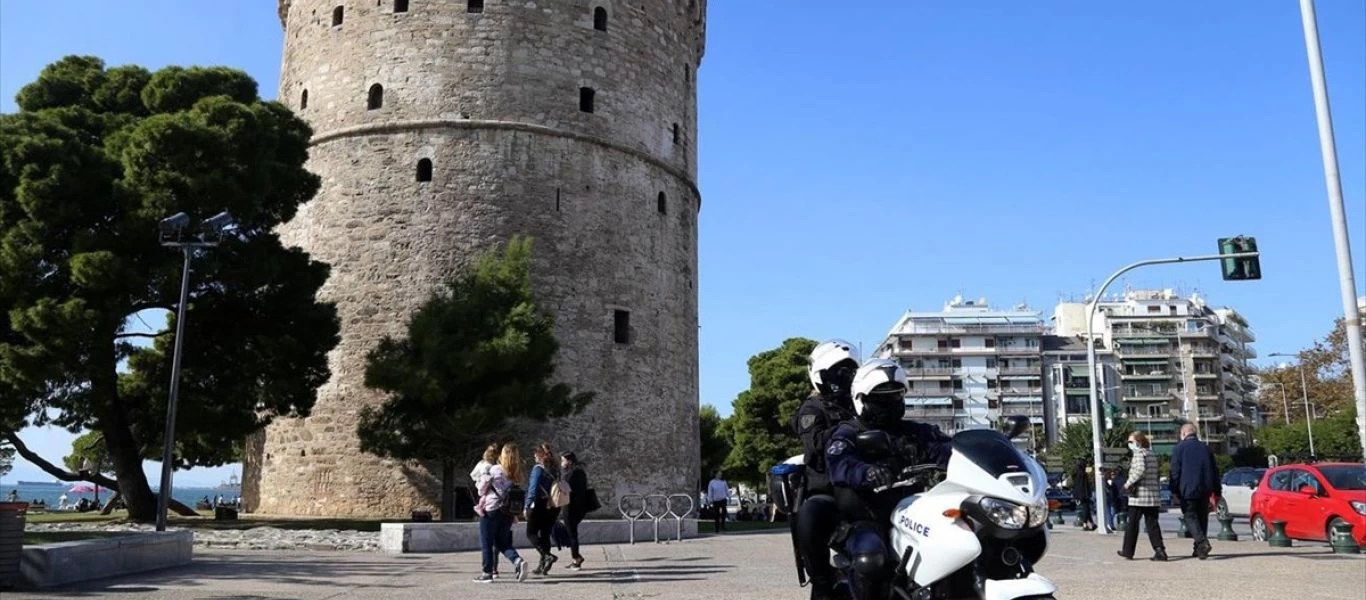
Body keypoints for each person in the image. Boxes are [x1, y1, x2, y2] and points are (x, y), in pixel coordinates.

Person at [826, 358, 953, 600]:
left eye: (896, 396)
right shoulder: (848, 434)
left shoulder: (916, 432)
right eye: (881, 398)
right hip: (867, 518)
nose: (890, 403)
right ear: (861, 399)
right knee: (870, 557)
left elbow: (948, 450)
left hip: (918, 516)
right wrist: (866, 472)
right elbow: (840, 464)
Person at [789, 338, 860, 600]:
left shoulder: (860, 402)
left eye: (849, 370)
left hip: (866, 484)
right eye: (838, 371)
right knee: (810, 516)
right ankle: (820, 581)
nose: (845, 377)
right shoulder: (813, 408)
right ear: (821, 375)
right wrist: (851, 429)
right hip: (828, 487)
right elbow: (815, 443)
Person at [474, 443, 528, 583]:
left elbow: (481, 490)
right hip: (508, 511)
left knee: (487, 542)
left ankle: (487, 573)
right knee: (502, 543)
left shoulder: (495, 470)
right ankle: (517, 560)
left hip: (491, 509)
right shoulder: (517, 473)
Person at [1170, 423, 1220, 559]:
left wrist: (1174, 491)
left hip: (1187, 489)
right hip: (1205, 489)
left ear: (1184, 434)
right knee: (1202, 517)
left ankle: (1202, 543)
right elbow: (1215, 471)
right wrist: (1217, 491)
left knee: (1190, 516)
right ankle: (1199, 549)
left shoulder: (1179, 449)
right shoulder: (1206, 448)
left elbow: (1175, 472)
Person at [1116, 432, 1167, 561]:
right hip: (1152, 496)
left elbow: (1139, 470)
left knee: (1132, 524)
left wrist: (1128, 484)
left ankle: (1128, 551)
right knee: (1152, 524)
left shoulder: (1138, 454)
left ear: (1138, 442)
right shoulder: (1151, 454)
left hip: (1139, 496)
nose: (1129, 445)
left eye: (1131, 442)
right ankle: (1160, 550)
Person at [524, 442, 562, 576]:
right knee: (545, 534)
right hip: (553, 505)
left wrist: (527, 506)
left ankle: (547, 555)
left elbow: (533, 490)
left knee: (531, 533)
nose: (534, 456)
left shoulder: (538, 469)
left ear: (540, 455)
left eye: (535, 453)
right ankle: (542, 565)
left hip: (539, 504)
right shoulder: (555, 469)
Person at [559, 451, 589, 570]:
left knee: (572, 534)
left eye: (563, 460)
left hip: (570, 507)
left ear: (569, 461)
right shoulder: (580, 471)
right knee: (572, 533)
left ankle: (576, 558)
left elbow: (564, 486)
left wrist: (562, 472)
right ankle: (576, 556)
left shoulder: (572, 473)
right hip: (580, 506)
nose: (562, 463)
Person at [1070, 458, 1097, 531]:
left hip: (1079, 493)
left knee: (1086, 508)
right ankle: (1085, 524)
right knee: (1086, 508)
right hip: (1084, 493)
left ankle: (1092, 523)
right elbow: (1085, 484)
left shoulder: (1075, 473)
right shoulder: (1083, 473)